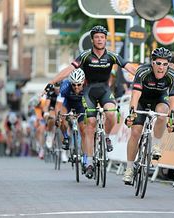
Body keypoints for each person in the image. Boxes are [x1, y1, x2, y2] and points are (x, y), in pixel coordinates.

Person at [45, 25, 136, 178]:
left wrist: (143, 76)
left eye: (102, 37)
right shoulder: (85, 55)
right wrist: (52, 82)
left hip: (105, 91)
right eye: (97, 37)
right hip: (88, 92)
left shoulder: (112, 56)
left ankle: (106, 137)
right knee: (90, 126)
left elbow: (130, 68)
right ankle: (89, 162)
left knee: (112, 113)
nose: (100, 39)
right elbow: (68, 70)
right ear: (92, 40)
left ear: (105, 39)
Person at [123, 47, 174, 185]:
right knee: (135, 133)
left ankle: (156, 146)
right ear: (152, 63)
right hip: (142, 100)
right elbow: (135, 94)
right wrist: (132, 113)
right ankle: (129, 169)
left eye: (165, 64)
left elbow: (173, 99)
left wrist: (171, 118)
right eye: (158, 64)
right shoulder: (143, 71)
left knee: (162, 114)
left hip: (159, 99)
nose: (161, 68)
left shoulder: (172, 75)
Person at [58, 69, 90, 175]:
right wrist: (60, 116)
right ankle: (66, 137)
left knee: (84, 131)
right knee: (62, 120)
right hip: (68, 104)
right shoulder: (65, 87)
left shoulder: (87, 86)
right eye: (74, 85)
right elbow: (60, 104)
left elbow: (92, 103)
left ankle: (85, 160)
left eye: (79, 84)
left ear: (83, 82)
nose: (76, 87)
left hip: (81, 106)